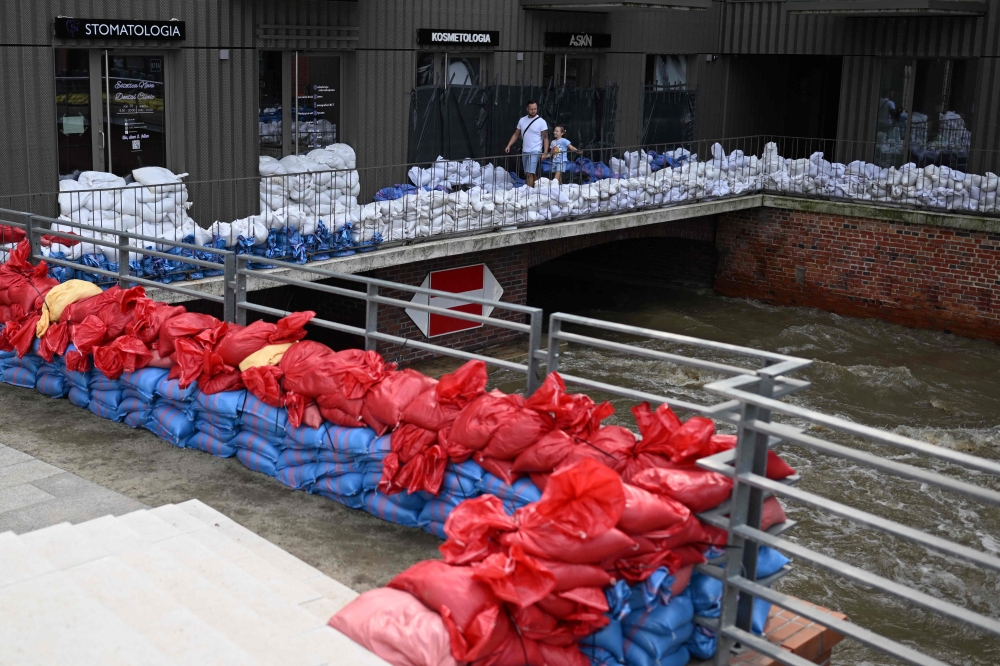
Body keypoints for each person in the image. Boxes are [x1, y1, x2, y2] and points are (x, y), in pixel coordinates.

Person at [505, 100, 548, 187]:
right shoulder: (522, 120)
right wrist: (509, 145)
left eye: (535, 109)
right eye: (531, 109)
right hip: (525, 150)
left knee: (529, 173)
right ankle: (538, 188)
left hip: (536, 150)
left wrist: (545, 152)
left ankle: (529, 192)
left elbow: (546, 138)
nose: (533, 111)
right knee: (530, 172)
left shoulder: (541, 122)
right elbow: (516, 134)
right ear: (527, 109)